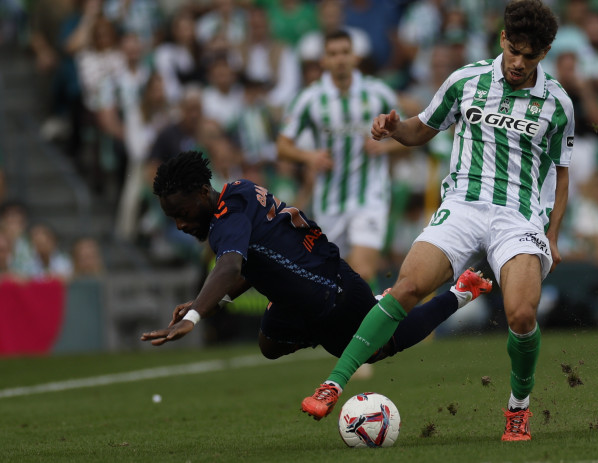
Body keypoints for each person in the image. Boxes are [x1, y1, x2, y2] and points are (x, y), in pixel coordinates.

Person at [301, 0, 572, 443]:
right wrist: (393, 128)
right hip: (463, 206)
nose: (519, 62)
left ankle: (518, 408)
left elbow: (561, 175)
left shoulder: (558, 103)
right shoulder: (465, 81)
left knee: (521, 315)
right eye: (513, 50)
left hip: (518, 216)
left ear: (544, 52)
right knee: (406, 287)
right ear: (502, 38)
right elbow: (420, 129)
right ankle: (334, 381)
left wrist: (553, 235)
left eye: (530, 54)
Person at [140, 151, 492, 367]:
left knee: (379, 349)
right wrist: (218, 299)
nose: (181, 224)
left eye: (183, 213)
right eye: (173, 218)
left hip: (332, 289)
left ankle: (460, 292)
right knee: (269, 344)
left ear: (204, 192)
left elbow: (230, 265)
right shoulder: (240, 191)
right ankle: (349, 318)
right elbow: (250, 263)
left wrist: (194, 315)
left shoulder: (224, 220)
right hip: (300, 296)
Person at [277, 30, 403, 286]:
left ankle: (367, 325)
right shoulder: (309, 99)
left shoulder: (378, 93)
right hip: (329, 201)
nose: (340, 59)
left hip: (370, 195)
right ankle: (353, 325)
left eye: (345, 52)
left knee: (362, 273)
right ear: (324, 60)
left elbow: (408, 137)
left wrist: (386, 148)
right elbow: (282, 146)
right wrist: (308, 156)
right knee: (335, 278)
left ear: (355, 56)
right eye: (333, 54)